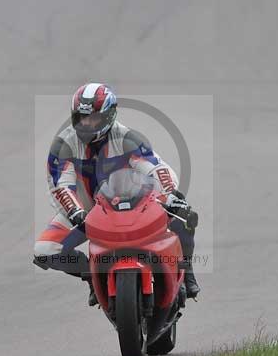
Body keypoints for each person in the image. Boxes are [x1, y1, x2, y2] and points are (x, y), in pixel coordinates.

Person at [33, 82, 200, 306]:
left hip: (133, 204)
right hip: (86, 210)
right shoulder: (63, 144)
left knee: (183, 214)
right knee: (44, 250)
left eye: (93, 118)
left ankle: (185, 268)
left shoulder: (127, 138)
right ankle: (92, 276)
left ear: (109, 116)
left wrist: (170, 195)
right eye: (82, 118)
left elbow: (156, 167)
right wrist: (77, 213)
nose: (87, 124)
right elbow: (60, 185)